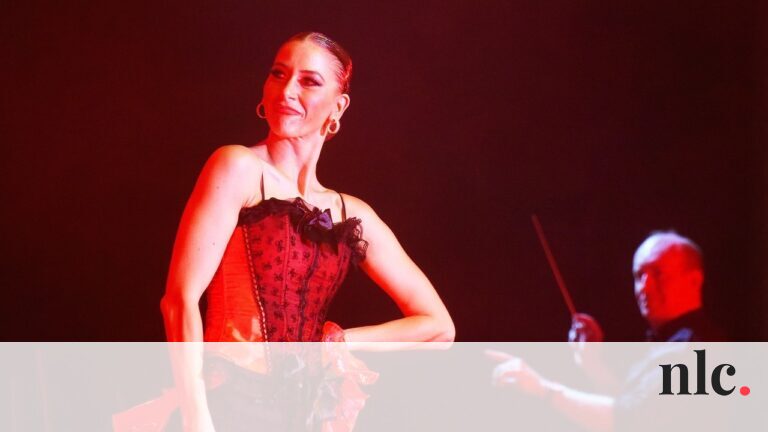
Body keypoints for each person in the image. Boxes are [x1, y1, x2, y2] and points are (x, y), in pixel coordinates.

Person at [159, 31, 454, 431]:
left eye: (309, 81)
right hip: (228, 402)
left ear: (339, 106)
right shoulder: (238, 167)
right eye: (278, 74)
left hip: (307, 415)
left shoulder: (351, 212)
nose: (287, 91)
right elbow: (179, 300)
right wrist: (197, 418)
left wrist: (341, 342)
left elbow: (438, 327)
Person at [489, 231, 726, 431]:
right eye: (639, 275)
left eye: (657, 272)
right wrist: (591, 362)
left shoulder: (697, 349)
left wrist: (543, 389)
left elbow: (630, 420)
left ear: (694, 280)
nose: (644, 286)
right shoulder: (670, 344)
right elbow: (632, 404)